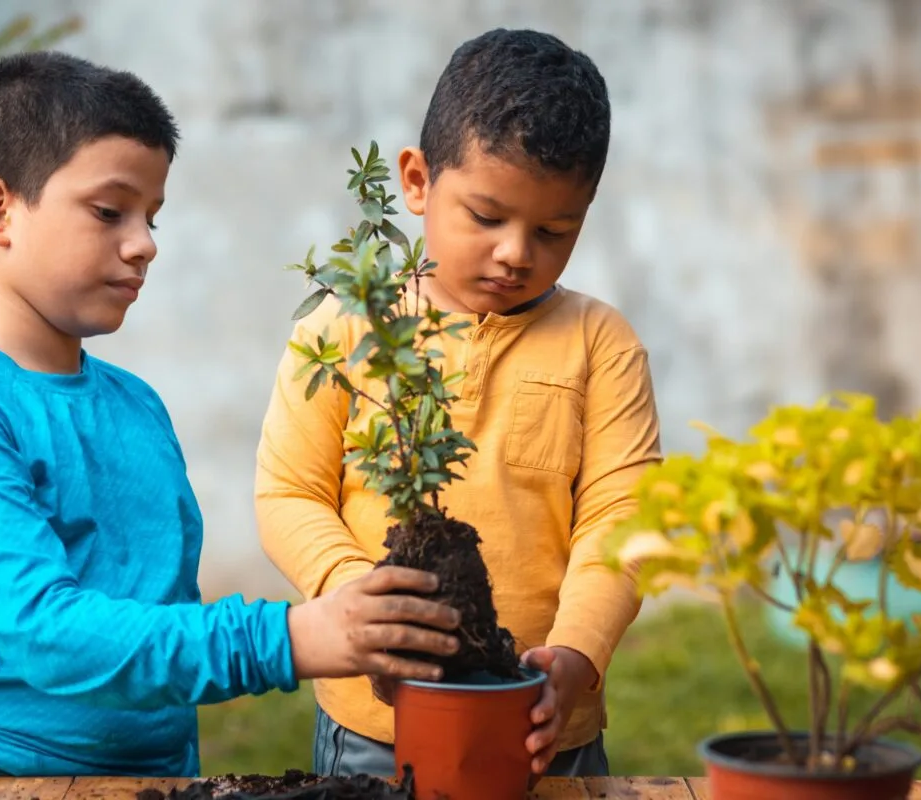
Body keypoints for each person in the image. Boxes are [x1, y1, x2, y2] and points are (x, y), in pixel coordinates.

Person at [0, 50, 462, 779]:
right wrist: (295, 639)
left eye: (152, 215)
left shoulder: (136, 407)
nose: (145, 242)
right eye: (110, 211)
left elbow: (159, 629)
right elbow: (47, 631)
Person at [256, 28, 663, 779]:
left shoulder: (599, 343)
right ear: (415, 182)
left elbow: (621, 518)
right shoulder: (351, 324)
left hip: (545, 723)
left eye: (553, 230)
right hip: (372, 726)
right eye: (486, 216)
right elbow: (289, 491)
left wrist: (576, 654)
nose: (517, 252)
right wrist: (362, 603)